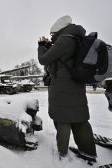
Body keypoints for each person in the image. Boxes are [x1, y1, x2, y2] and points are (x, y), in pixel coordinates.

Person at [37, 15, 97, 160]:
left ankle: (62, 154)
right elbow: (62, 58)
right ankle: (89, 152)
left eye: (52, 34)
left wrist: (41, 46)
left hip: (62, 88)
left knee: (62, 118)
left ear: (58, 29)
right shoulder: (77, 38)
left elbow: (44, 59)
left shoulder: (64, 40)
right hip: (76, 85)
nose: (51, 37)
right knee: (80, 119)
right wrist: (50, 46)